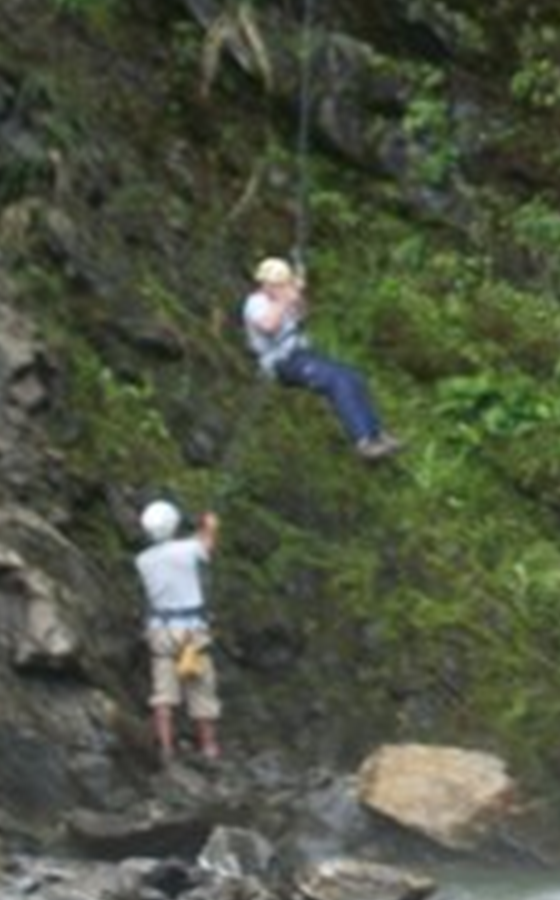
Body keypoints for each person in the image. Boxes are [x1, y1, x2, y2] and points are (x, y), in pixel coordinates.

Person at [242, 256, 402, 461]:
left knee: (353, 376)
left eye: (283, 284)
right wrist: (283, 300)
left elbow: (303, 314)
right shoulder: (255, 303)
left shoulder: (283, 297)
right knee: (336, 381)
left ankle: (376, 433)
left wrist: (297, 296)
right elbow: (268, 326)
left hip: (301, 352)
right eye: (277, 285)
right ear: (264, 284)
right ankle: (363, 441)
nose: (280, 288)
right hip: (281, 362)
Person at [133, 499, 221, 764]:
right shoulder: (188, 549)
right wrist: (210, 525)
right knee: (201, 686)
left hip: (160, 630)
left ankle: (167, 749)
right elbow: (206, 546)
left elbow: (181, 550)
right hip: (191, 630)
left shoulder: (142, 560)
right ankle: (208, 748)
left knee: (163, 691)